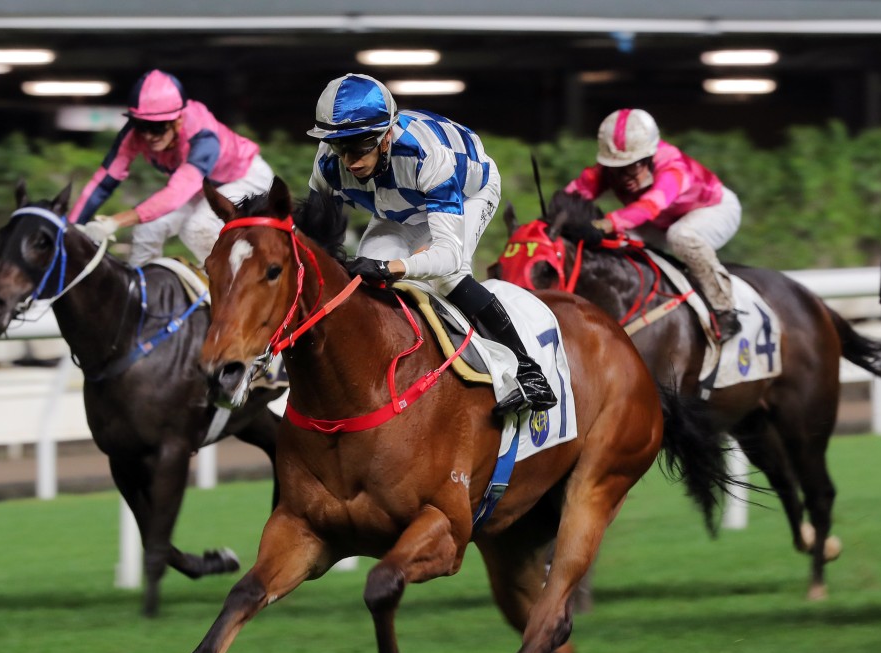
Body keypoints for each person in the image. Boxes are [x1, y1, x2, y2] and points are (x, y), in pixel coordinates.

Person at [306, 73, 556, 417]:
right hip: (397, 211)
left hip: (468, 192)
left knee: (446, 278)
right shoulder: (327, 164)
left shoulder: (427, 155)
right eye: (341, 148)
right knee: (362, 285)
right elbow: (315, 240)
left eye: (361, 146)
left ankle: (529, 372)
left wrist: (392, 267)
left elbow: (448, 255)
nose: (350, 161)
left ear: (386, 136)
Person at [564, 108, 743, 341]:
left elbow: (649, 206)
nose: (624, 176)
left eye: (634, 165)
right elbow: (574, 193)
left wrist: (603, 224)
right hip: (662, 221)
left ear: (649, 156)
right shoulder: (610, 169)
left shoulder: (673, 166)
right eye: (616, 169)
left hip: (713, 209)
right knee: (616, 243)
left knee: (681, 236)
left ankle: (725, 308)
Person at [70, 69, 275, 269]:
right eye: (142, 125)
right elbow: (103, 182)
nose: (149, 135)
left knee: (197, 227)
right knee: (147, 228)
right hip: (205, 187)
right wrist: (68, 227)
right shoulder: (134, 135)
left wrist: (115, 221)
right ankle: (143, 297)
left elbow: (177, 193)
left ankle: (230, 290)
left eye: (158, 127)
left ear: (178, 121)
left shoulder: (203, 136)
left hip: (245, 177)